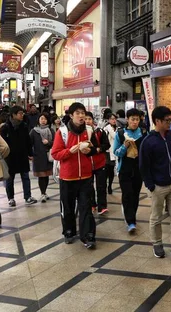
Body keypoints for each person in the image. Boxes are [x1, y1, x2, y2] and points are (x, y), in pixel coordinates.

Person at [140, 106, 171, 259]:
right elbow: (143, 166)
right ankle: (157, 244)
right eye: (167, 120)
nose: (170, 123)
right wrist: (150, 185)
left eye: (170, 119)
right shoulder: (148, 141)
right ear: (157, 121)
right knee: (156, 216)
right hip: (158, 186)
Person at [51, 102, 98, 249]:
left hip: (85, 176)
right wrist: (70, 151)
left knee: (86, 207)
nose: (81, 115)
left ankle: (88, 235)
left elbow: (96, 149)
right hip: (67, 177)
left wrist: (89, 150)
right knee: (68, 207)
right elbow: (55, 154)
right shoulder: (63, 132)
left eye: (83, 112)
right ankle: (69, 231)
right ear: (71, 115)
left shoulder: (89, 130)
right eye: (77, 113)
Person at [113, 109, 144, 232]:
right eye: (133, 119)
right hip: (124, 169)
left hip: (138, 170)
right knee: (127, 194)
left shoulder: (143, 133)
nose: (135, 122)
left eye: (137, 119)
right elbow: (116, 152)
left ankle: (132, 216)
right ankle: (130, 221)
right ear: (127, 120)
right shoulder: (120, 134)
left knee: (135, 195)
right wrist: (124, 146)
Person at [0, 105, 37, 207]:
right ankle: (11, 198)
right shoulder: (5, 128)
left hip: (22, 156)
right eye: (20, 113)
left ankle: (28, 197)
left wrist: (30, 154)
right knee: (9, 178)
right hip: (10, 157)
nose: (22, 115)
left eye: (22, 113)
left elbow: (28, 141)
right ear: (14, 115)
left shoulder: (24, 126)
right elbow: (1, 144)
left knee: (25, 177)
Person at [85, 112, 110, 215]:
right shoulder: (80, 133)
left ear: (92, 120)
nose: (87, 121)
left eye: (89, 119)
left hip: (100, 162)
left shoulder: (99, 131)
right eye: (85, 119)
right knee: (88, 186)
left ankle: (102, 206)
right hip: (86, 164)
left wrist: (99, 149)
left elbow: (106, 144)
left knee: (101, 185)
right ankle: (92, 204)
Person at [29, 112, 55, 203]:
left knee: (46, 175)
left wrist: (48, 142)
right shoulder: (34, 131)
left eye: (45, 119)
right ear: (38, 120)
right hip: (38, 157)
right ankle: (42, 193)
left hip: (48, 156)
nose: (43, 121)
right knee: (41, 176)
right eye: (41, 119)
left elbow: (55, 143)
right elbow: (29, 143)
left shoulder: (51, 131)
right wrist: (30, 154)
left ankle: (44, 192)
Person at [103, 113, 118, 194]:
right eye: (112, 119)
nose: (114, 120)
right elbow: (115, 137)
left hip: (113, 152)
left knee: (111, 171)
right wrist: (109, 128)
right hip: (107, 152)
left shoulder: (117, 128)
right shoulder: (106, 128)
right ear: (108, 120)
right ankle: (105, 186)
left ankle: (110, 186)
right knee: (106, 171)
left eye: (115, 118)